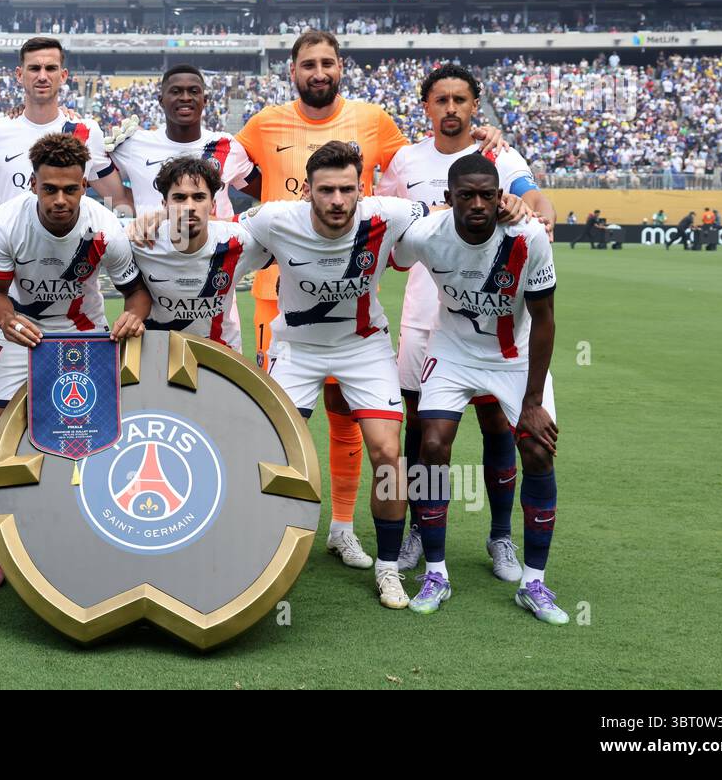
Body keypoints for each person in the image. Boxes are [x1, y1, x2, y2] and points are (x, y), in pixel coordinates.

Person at [234, 31, 505, 571]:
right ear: (292, 71)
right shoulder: (264, 125)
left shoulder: (379, 129)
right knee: (279, 434)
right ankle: (263, 544)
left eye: (327, 62)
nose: (318, 71)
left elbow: (435, 166)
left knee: (428, 432)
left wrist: (484, 149)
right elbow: (216, 173)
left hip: (394, 313)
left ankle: (381, 537)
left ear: (341, 67)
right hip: (285, 304)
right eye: (307, 63)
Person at [376, 63, 555, 580]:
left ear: (475, 105)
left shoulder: (499, 155)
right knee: (422, 430)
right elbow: (389, 224)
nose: (451, 109)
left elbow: (538, 202)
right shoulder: (405, 160)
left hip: (494, 312)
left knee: (498, 423)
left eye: (460, 100)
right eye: (441, 100)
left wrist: (528, 208)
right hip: (426, 314)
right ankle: (417, 528)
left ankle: (500, 538)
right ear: (426, 107)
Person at [239, 141, 429, 610]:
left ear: (361, 190)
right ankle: (256, 553)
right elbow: (215, 239)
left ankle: (387, 568)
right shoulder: (273, 219)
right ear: (307, 191)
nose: (338, 201)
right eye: (327, 190)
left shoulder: (388, 214)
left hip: (363, 347)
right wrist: (152, 225)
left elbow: (449, 213)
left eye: (348, 189)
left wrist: (512, 207)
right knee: (266, 449)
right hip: (296, 349)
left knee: (388, 452)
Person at [389, 153, 565, 624]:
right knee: (431, 445)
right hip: (452, 350)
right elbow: (389, 251)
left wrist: (531, 403)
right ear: (448, 199)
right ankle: (436, 572)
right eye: (466, 195)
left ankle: (534, 583)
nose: (478, 204)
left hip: (516, 357)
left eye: (488, 194)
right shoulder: (428, 234)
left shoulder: (527, 237)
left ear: (499, 195)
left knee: (538, 451)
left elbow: (545, 321)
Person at [0, 133, 151, 593]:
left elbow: (136, 293)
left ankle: (82, 530)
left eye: (70, 189)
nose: (59, 199)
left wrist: (133, 316)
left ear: (84, 187)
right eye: (49, 188)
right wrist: (8, 319)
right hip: (20, 329)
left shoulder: (104, 229)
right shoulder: (7, 221)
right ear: (33, 184)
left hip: (82, 332)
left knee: (89, 433)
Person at [0, 37, 130, 211]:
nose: (42, 76)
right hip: (13, 239)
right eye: (34, 68)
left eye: (50, 68)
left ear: (63, 76)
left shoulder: (86, 130)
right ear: (19, 75)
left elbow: (118, 200)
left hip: (69, 238)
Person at [136, 156, 271, 350]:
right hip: (160, 356)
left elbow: (287, 253)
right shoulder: (141, 243)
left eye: (199, 197)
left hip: (222, 357)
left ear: (213, 204)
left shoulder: (238, 242)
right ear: (164, 204)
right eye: (179, 197)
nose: (190, 206)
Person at [109, 65, 255, 217]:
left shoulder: (225, 145)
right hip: (151, 240)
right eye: (175, 91)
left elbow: (264, 192)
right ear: (161, 100)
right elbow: (92, 179)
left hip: (217, 240)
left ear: (204, 100)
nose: (185, 97)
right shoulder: (133, 145)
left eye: (193, 91)